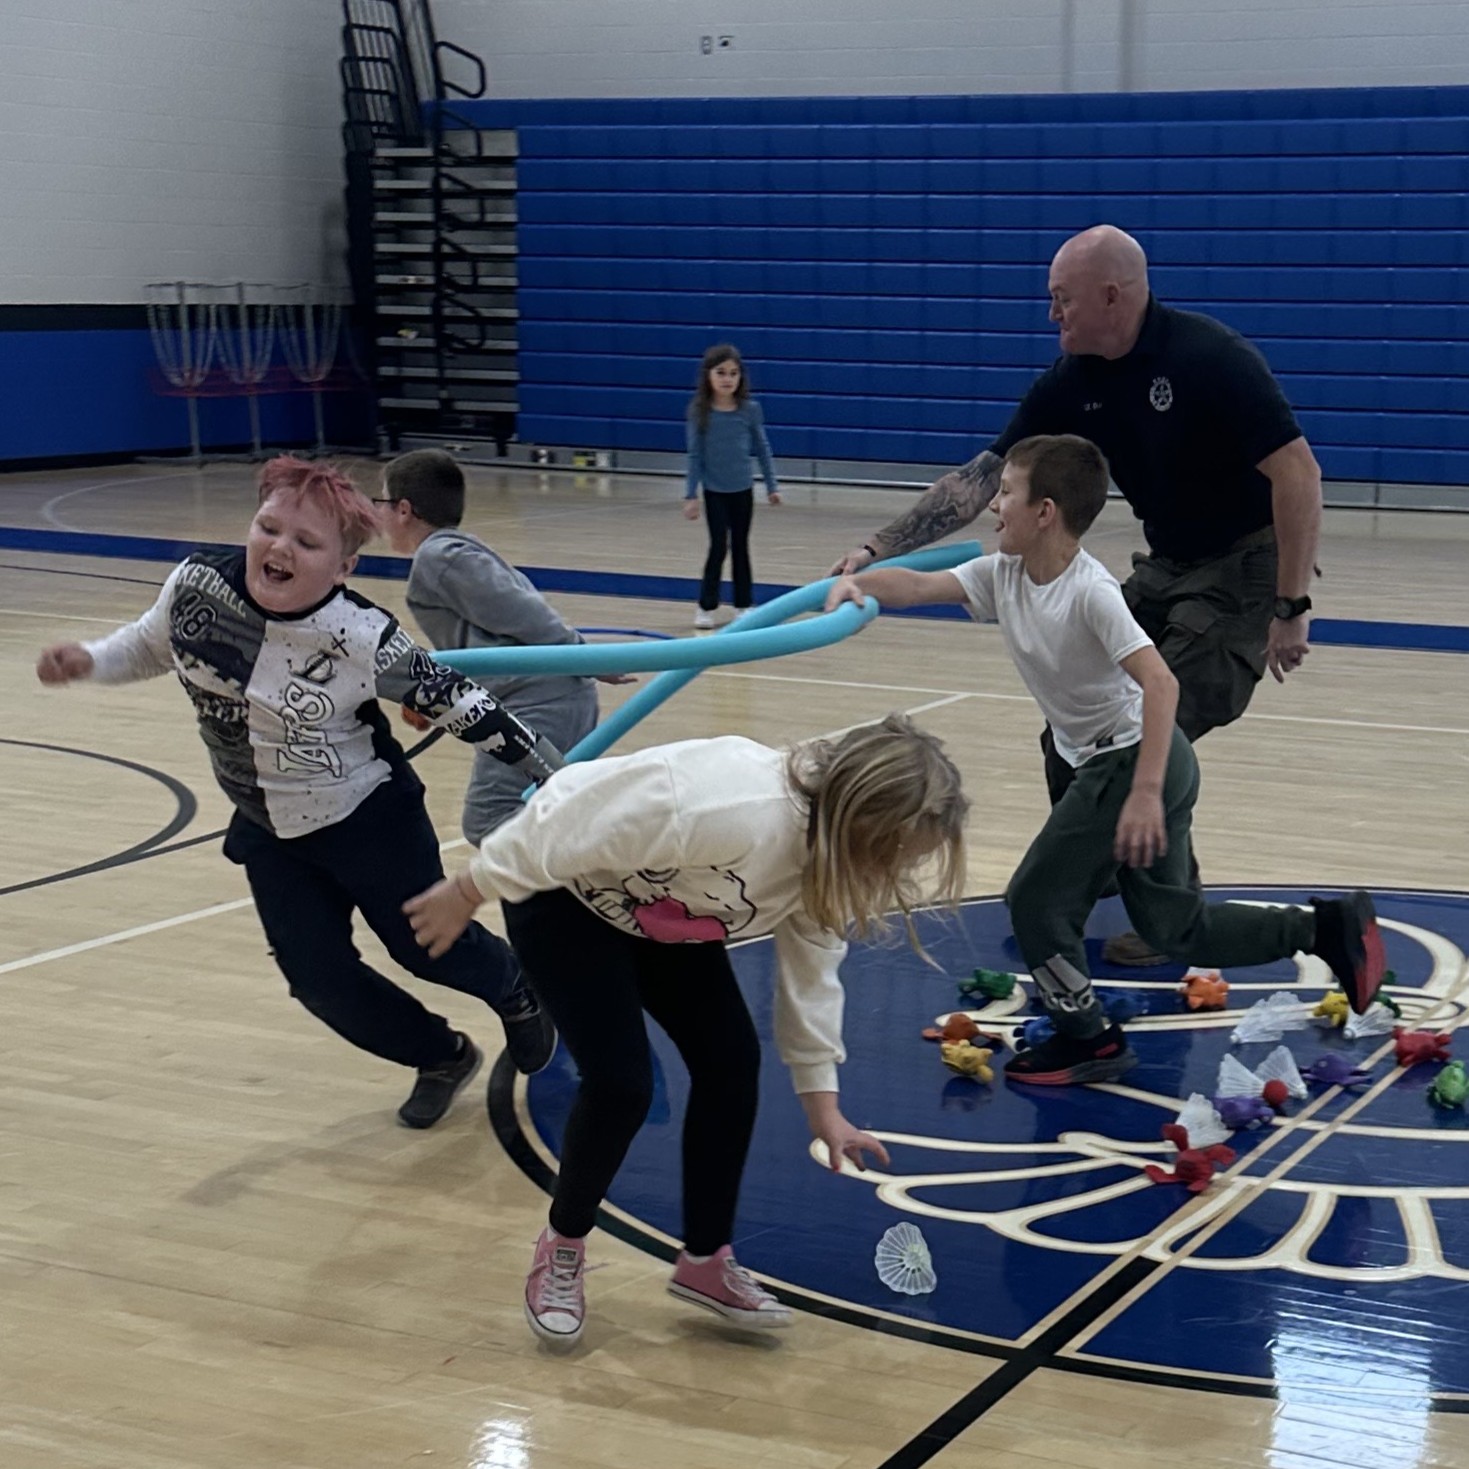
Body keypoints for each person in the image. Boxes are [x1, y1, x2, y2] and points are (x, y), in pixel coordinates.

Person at [829, 224, 1323, 964]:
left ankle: (1165, 905)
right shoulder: (1073, 380)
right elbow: (980, 479)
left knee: (1156, 716)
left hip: (1247, 570)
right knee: (1071, 732)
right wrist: (874, 549)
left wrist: (1288, 607)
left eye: (1061, 300)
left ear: (1111, 296)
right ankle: (1107, 856)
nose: (1051, 315)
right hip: (1169, 561)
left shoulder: (1207, 357)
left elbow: (1298, 474)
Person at [825, 435, 1383, 1086]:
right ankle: (1327, 928)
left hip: (1129, 762)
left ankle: (1088, 1038)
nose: (991, 506)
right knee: (1176, 927)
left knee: (1034, 901)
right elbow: (919, 584)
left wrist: (1144, 793)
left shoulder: (1090, 591)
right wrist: (857, 584)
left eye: (1005, 492)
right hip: (1139, 760)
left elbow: (1162, 684)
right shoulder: (1003, 573)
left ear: (1045, 511)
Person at [403, 713, 969, 1346]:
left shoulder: (824, 863)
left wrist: (824, 1107)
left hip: (663, 913)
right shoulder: (730, 803)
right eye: (895, 858)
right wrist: (470, 886)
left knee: (729, 1062)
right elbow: (566, 817)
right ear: (863, 825)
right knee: (621, 1084)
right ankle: (563, 1244)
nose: (895, 876)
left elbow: (812, 977)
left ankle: (704, 1262)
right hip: (562, 893)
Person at [35, 456, 561, 1131]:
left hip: (369, 817)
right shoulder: (197, 586)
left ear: (342, 567)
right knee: (317, 979)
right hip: (269, 827)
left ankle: (516, 990)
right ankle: (441, 1055)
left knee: (423, 946)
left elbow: (466, 705)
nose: (278, 547)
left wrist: (553, 774)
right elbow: (147, 645)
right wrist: (89, 658)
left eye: (306, 542)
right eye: (268, 527)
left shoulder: (364, 637)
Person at [377, 447, 631, 843]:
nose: (378, 515)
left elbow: (525, 614)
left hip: (538, 704)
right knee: (547, 816)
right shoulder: (452, 551)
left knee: (490, 822)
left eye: (382, 504)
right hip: (547, 699)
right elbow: (486, 643)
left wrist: (585, 656)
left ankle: (622, 866)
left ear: (404, 509)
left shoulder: (440, 557)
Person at [683, 343, 781, 629]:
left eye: (733, 373)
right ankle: (706, 606)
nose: (727, 379)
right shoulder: (699, 411)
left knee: (741, 546)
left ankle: (743, 604)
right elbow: (694, 455)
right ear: (708, 376)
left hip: (742, 491)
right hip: (715, 492)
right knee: (718, 547)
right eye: (721, 372)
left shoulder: (750, 410)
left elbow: (762, 449)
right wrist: (691, 495)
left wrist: (772, 486)